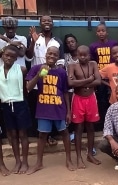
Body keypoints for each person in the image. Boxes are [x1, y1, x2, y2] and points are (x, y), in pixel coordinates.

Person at [26, 46, 75, 174]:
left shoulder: (61, 72)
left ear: (58, 57)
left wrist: (68, 111)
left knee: (64, 133)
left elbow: (65, 92)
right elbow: (28, 87)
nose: (52, 56)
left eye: (55, 54)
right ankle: (39, 163)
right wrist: (39, 74)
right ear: (45, 54)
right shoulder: (36, 68)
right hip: (44, 109)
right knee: (42, 135)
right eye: (50, 54)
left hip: (59, 108)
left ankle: (68, 160)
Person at [26, 15, 65, 144]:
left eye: (49, 21)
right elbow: (29, 57)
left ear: (52, 24)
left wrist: (56, 75)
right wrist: (32, 41)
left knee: (52, 106)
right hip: (37, 80)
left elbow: (61, 61)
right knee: (39, 109)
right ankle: (41, 135)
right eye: (44, 21)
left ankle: (52, 136)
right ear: (40, 23)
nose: (47, 22)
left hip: (52, 81)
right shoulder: (35, 38)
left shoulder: (57, 41)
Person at [68, 45, 101, 168]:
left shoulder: (93, 64)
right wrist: (89, 80)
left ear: (89, 55)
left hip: (91, 99)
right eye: (80, 55)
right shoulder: (72, 66)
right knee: (79, 129)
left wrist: (80, 82)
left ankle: (90, 154)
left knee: (90, 127)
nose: (82, 57)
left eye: (85, 55)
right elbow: (71, 83)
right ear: (77, 55)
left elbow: (98, 81)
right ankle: (78, 157)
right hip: (78, 100)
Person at [0, 45, 31, 174]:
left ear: (16, 58)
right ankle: (17, 161)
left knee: (23, 134)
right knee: (12, 135)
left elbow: (25, 88)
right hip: (5, 105)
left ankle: (25, 162)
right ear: (2, 55)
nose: (9, 58)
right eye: (7, 55)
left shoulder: (21, 69)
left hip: (20, 104)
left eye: (12, 56)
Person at [89, 23, 118, 131]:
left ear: (107, 32)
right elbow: (92, 62)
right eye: (99, 31)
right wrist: (97, 76)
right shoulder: (93, 46)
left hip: (113, 76)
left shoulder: (113, 43)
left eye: (103, 31)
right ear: (96, 33)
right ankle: (105, 125)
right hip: (100, 77)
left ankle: (115, 123)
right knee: (102, 101)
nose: (101, 33)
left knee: (114, 100)